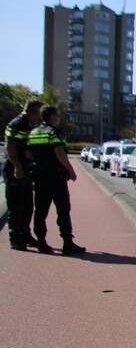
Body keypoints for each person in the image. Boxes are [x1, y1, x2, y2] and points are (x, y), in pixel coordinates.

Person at [27, 106, 85, 254]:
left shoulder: (33, 133)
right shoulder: (54, 132)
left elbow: (28, 153)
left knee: (40, 211)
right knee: (63, 210)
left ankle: (41, 243)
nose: (58, 119)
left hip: (40, 177)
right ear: (52, 116)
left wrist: (40, 161)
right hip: (56, 177)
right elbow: (59, 152)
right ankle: (67, 243)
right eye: (57, 116)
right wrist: (71, 171)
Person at [3, 99, 43, 250]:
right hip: (15, 170)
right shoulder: (16, 123)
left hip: (25, 170)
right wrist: (17, 166)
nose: (40, 116)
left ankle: (25, 235)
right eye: (39, 112)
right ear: (33, 111)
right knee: (15, 206)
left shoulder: (29, 124)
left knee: (27, 206)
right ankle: (15, 239)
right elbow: (10, 146)